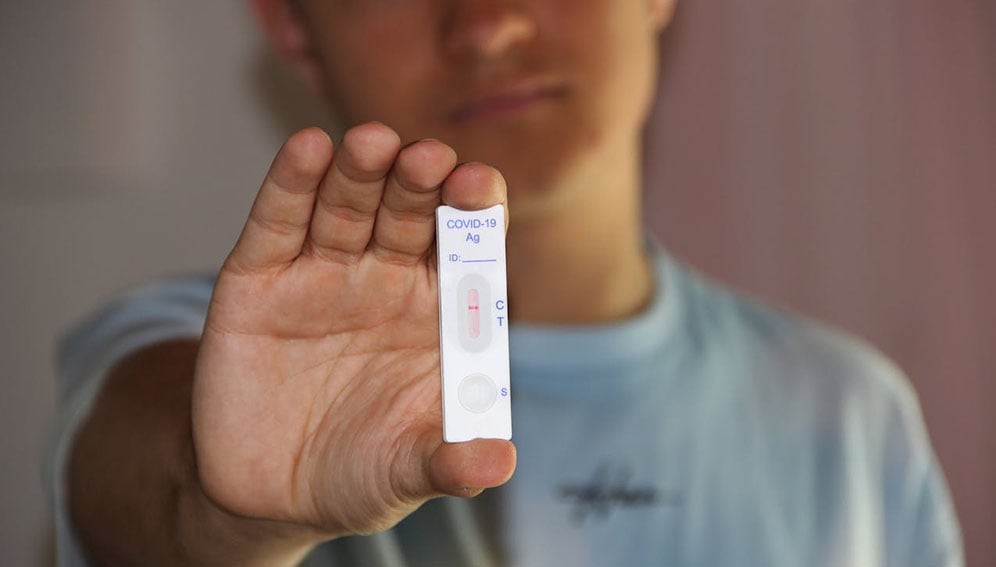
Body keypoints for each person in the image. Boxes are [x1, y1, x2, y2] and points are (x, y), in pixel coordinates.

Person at [49, 0, 963, 565]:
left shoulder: (852, 414)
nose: (487, 26)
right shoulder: (210, 354)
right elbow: (140, 487)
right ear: (295, 30)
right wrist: (223, 511)